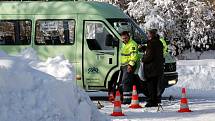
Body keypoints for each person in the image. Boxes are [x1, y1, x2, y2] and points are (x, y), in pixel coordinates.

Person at [142, 29, 164, 107]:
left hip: (151, 68)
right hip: (158, 67)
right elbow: (155, 52)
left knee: (151, 85)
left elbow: (149, 56)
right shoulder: (159, 42)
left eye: (148, 34)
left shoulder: (151, 43)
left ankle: (152, 101)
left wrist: (143, 59)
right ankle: (156, 100)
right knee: (156, 85)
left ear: (151, 35)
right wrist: (145, 49)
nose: (147, 35)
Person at [119, 31, 139, 104]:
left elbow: (134, 56)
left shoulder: (132, 44)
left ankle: (127, 100)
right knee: (126, 82)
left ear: (129, 36)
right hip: (124, 65)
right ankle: (128, 97)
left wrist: (130, 65)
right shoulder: (124, 44)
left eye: (126, 38)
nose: (124, 40)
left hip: (129, 65)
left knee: (126, 82)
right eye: (123, 38)